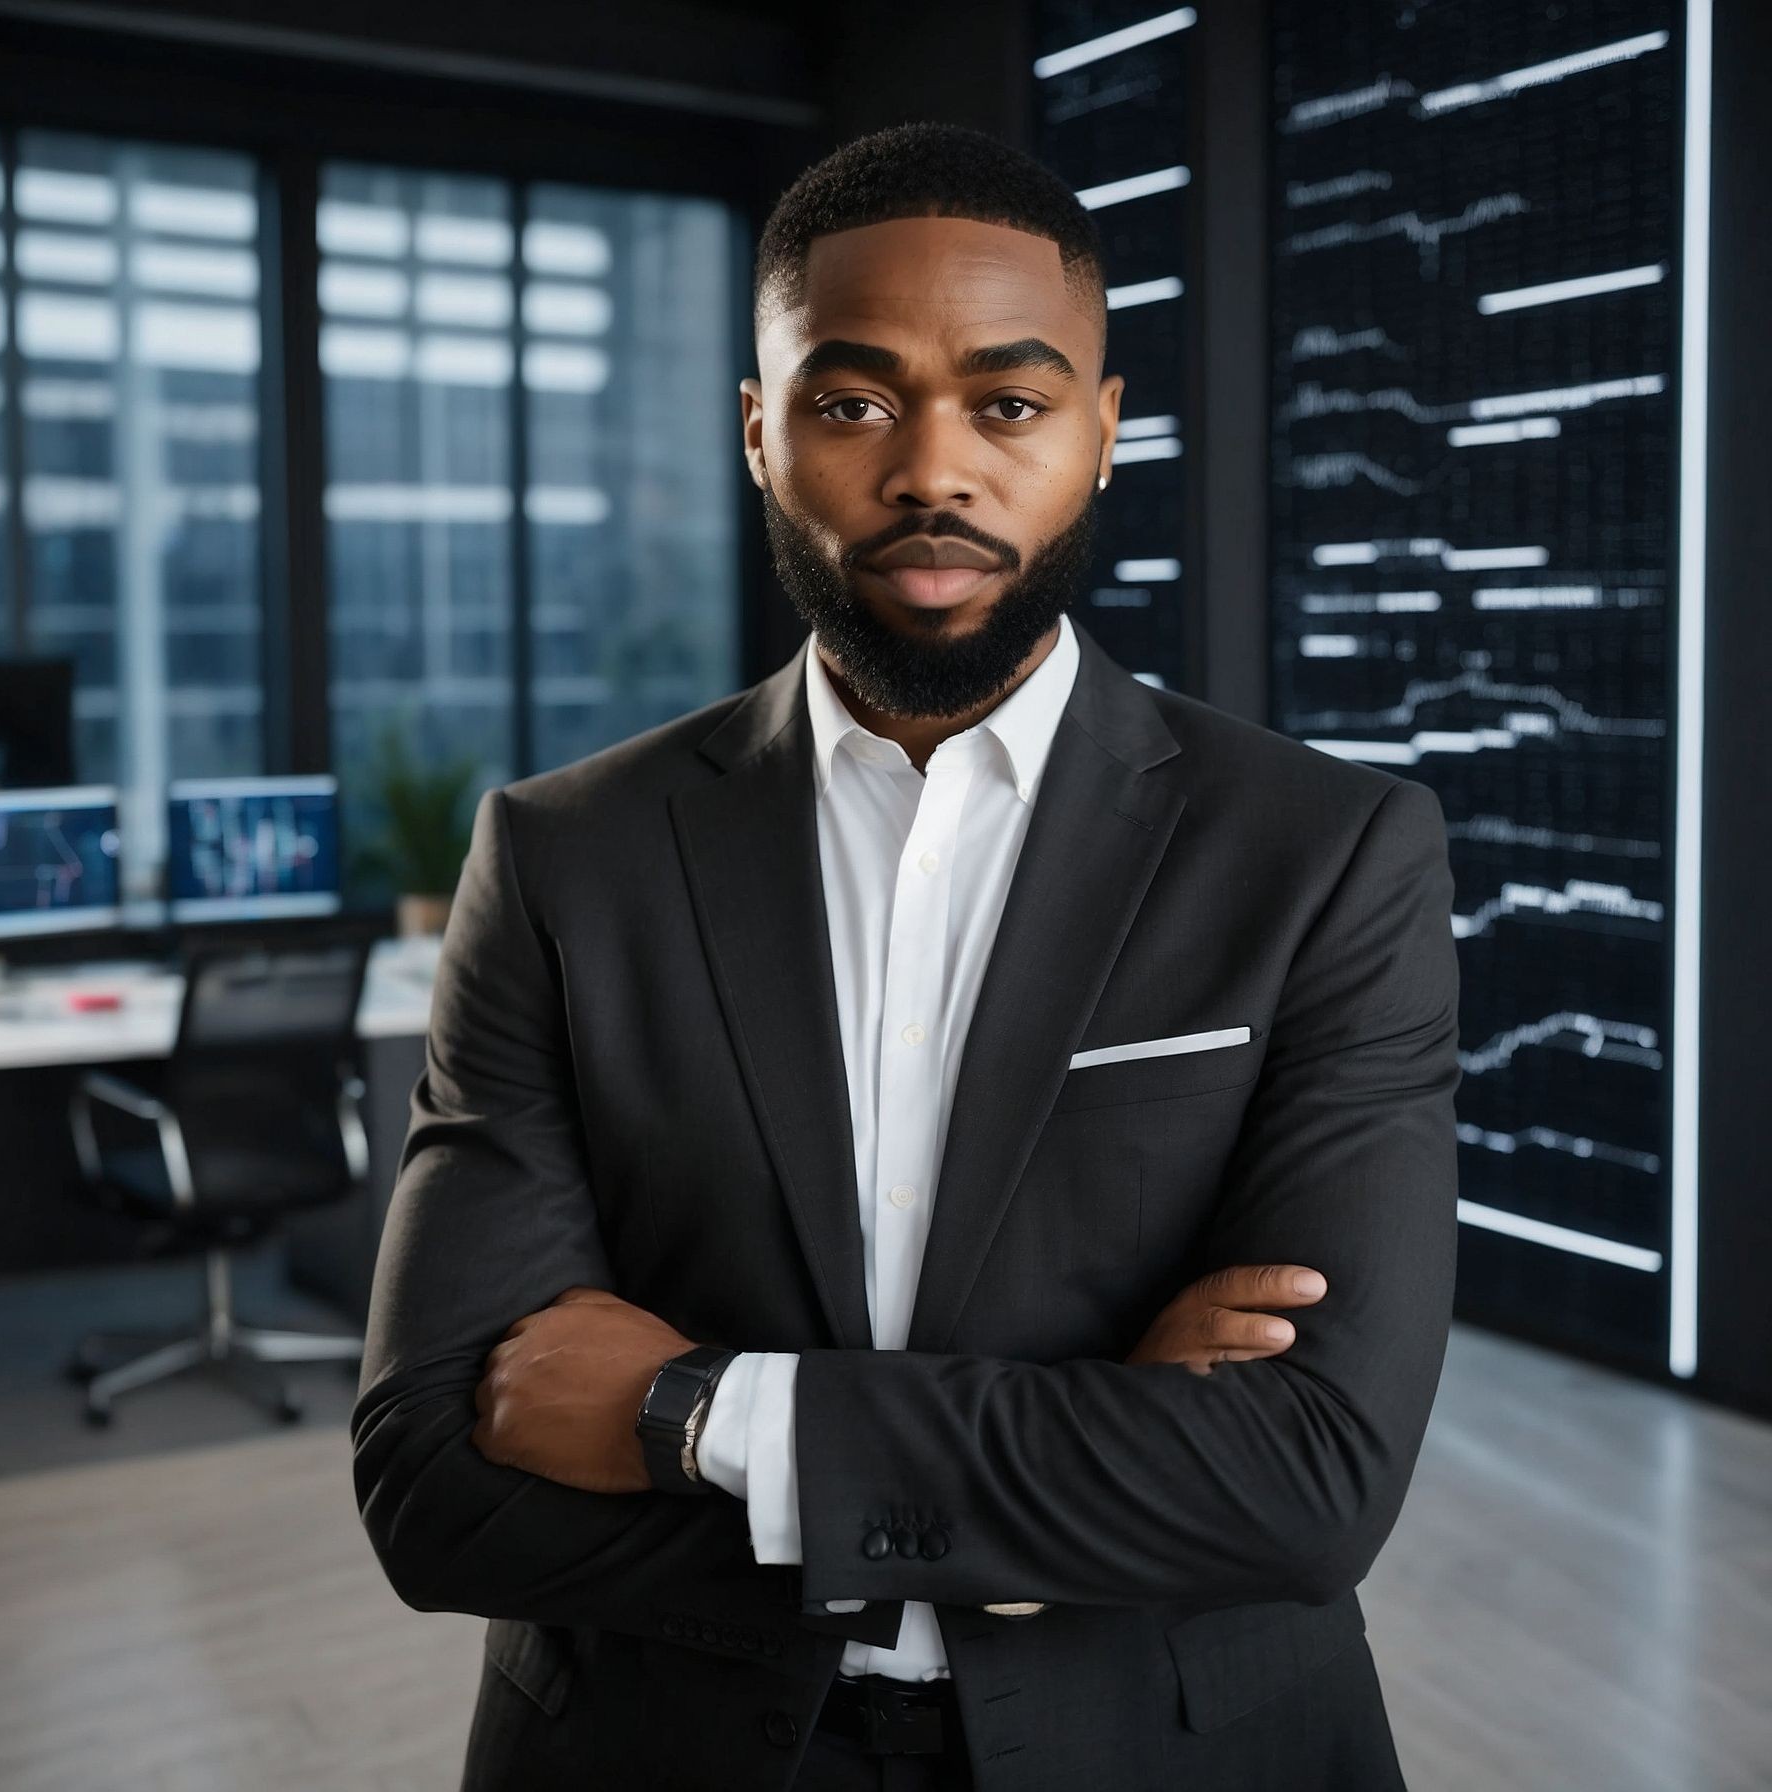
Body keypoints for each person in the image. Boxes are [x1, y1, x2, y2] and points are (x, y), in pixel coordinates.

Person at [351, 120, 1462, 1792]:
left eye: (1009, 405)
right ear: (759, 432)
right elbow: (437, 1484)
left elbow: (1307, 1481)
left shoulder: (1328, 856)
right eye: (852, 402)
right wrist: (1083, 1470)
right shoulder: (565, 855)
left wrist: (698, 1418)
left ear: (1101, 435)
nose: (932, 470)